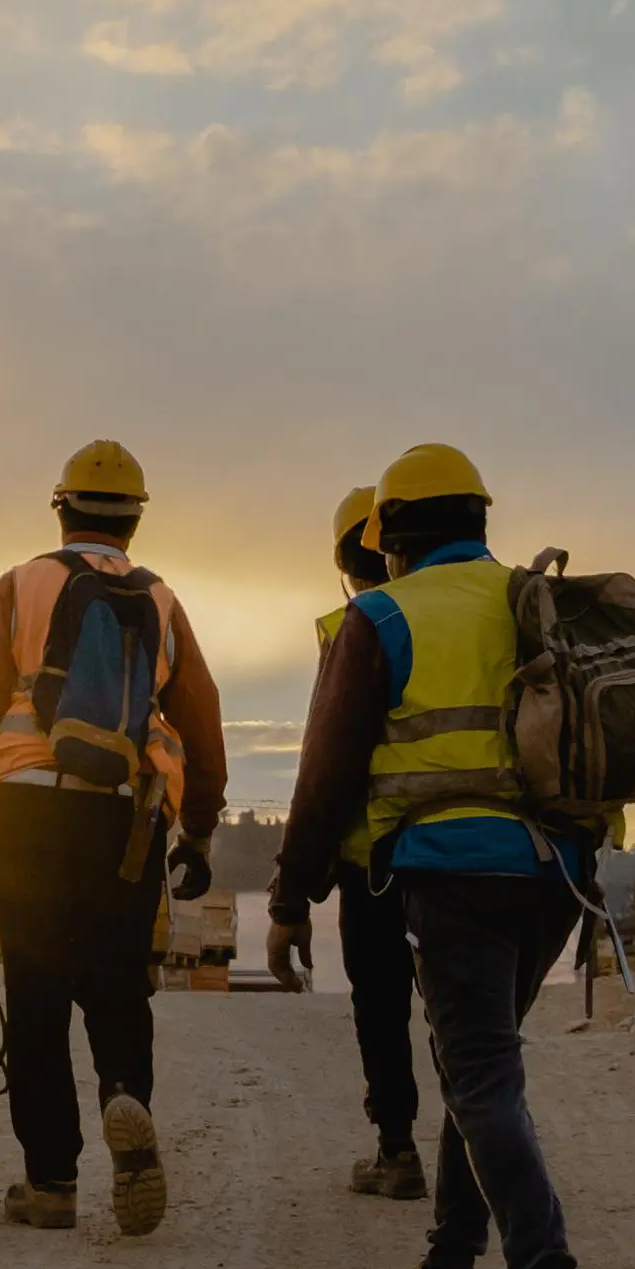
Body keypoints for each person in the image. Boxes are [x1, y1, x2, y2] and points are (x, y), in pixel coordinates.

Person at [264, 443, 608, 1269]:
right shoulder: (531, 600)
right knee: (477, 1063)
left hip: (454, 873)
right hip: (557, 878)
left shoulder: (380, 615)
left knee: (482, 1076)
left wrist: (290, 899)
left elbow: (326, 774)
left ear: (395, 538)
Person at [0, 440, 226, 1235]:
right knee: (116, 983)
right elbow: (200, 720)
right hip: (125, 817)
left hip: (25, 810)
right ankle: (124, 1093)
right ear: (134, 520)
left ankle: (52, 1183)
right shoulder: (161, 599)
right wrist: (197, 831)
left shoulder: (19, 585)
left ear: (60, 509)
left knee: (35, 990)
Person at [290, 486, 426, 1200]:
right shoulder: (468, 613)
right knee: (462, 1011)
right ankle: (480, 1153)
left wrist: (291, 892)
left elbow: (326, 768)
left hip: (372, 857)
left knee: (381, 1004)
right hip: (466, 848)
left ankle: (397, 1149)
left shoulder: (353, 625)